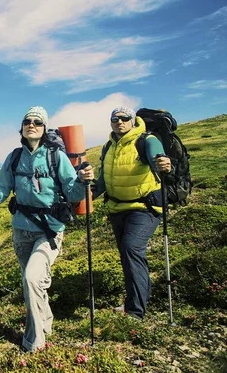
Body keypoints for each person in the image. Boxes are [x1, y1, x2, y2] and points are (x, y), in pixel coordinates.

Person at [0, 106, 94, 352]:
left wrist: (84, 181)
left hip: (49, 231)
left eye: (37, 122)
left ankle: (33, 343)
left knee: (32, 279)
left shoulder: (56, 157)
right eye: (27, 121)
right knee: (31, 282)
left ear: (43, 129)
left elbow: (72, 192)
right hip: (21, 231)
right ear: (21, 127)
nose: (31, 124)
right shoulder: (14, 158)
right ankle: (47, 322)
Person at [92, 106, 172, 320]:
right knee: (129, 255)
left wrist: (164, 164)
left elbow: (159, 159)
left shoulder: (147, 140)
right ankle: (137, 299)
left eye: (125, 118)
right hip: (117, 209)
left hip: (145, 208)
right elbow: (102, 181)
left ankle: (136, 312)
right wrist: (82, 199)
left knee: (131, 249)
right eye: (115, 118)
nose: (120, 121)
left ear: (133, 121)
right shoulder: (109, 146)